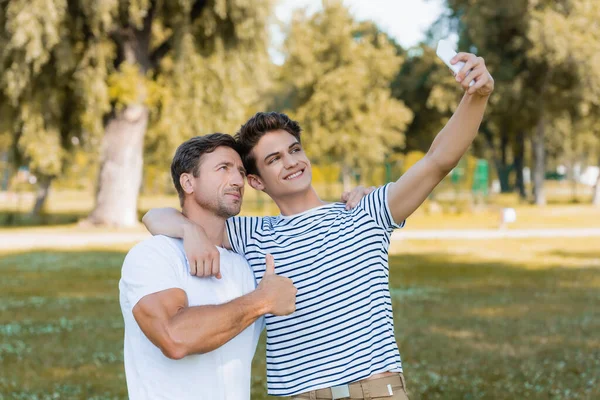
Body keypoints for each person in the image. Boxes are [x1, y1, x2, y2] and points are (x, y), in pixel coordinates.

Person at [143, 52, 495, 399]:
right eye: (275, 159)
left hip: (375, 392)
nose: (292, 162)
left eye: (295, 150)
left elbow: (437, 161)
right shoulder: (251, 234)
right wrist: (189, 231)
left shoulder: (366, 212)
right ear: (256, 182)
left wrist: (475, 96)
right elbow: (155, 217)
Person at [119, 133, 298, 400]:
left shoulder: (245, 264)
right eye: (223, 168)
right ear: (188, 182)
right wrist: (262, 300)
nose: (238, 180)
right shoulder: (153, 255)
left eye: (239, 171)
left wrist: (360, 199)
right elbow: (174, 338)